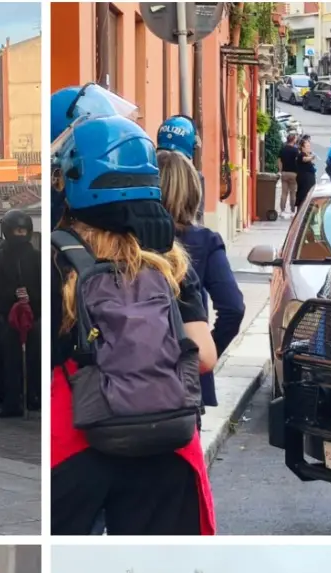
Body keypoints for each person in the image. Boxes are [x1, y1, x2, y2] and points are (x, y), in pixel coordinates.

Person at [49, 108, 218, 535]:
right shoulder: (172, 265)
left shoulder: (53, 260)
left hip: (75, 442)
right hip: (164, 440)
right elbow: (204, 358)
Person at [159, 142, 244, 410]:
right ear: (193, 192)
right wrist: (206, 352)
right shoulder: (204, 241)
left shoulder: (128, 241)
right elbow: (233, 308)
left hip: (132, 373)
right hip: (188, 376)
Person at [0, 210, 39, 417]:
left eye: (23, 230)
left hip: (34, 315)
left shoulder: (37, 256)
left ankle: (33, 396)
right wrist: (13, 295)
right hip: (9, 317)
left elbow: (48, 287)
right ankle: (11, 400)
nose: (20, 234)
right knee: (9, 360)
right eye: (17, 230)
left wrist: (32, 296)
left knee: (34, 359)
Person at [278, 133, 301, 216]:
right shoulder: (295, 151)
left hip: (284, 173)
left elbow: (279, 161)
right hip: (293, 173)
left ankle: (282, 210)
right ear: (293, 140)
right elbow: (299, 161)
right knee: (293, 193)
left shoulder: (283, 149)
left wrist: (281, 170)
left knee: (284, 193)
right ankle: (292, 210)